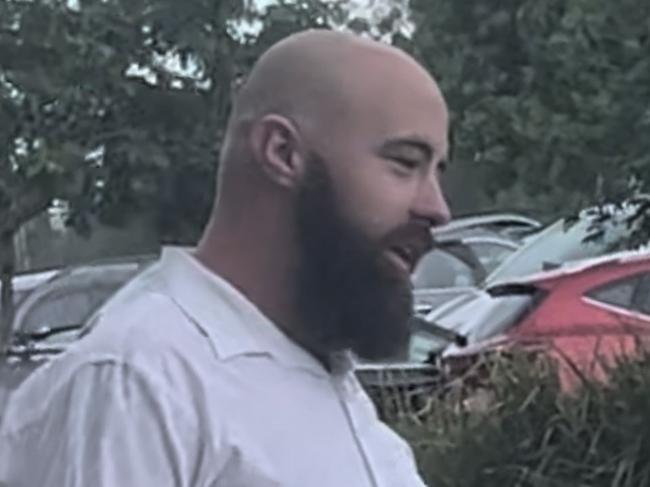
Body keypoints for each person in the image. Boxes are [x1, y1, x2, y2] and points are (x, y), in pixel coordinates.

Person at [0, 29, 451, 486]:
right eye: (405, 163)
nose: (437, 208)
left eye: (436, 170)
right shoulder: (141, 380)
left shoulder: (325, 378)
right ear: (282, 152)